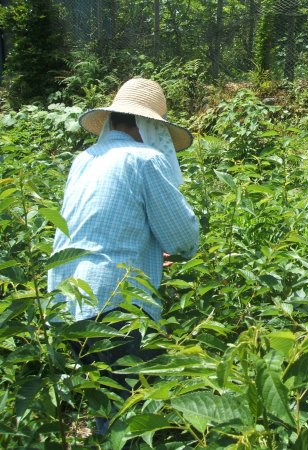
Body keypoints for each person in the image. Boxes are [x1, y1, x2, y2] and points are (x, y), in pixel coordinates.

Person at [47, 78, 199, 431]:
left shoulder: (84, 160)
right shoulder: (145, 159)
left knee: (103, 403)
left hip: (66, 301)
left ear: (113, 120)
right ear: (151, 126)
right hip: (115, 305)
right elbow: (184, 240)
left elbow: (105, 223)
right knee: (131, 417)